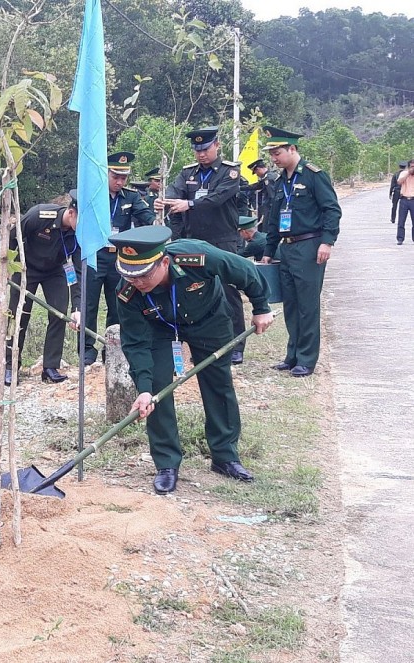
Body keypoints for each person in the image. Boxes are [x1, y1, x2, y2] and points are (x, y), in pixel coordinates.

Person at [112, 226, 273, 495]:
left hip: (209, 320)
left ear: (164, 262)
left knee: (217, 383)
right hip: (159, 329)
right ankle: (166, 464)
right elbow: (136, 342)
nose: (136, 282)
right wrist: (143, 388)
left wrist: (261, 308)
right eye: (129, 275)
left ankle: (225, 456)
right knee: (158, 390)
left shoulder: (198, 256)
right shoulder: (127, 291)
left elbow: (245, 272)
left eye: (143, 274)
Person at [155, 127, 247, 365]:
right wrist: (163, 201)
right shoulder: (188, 174)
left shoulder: (230, 172)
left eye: (205, 149)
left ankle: (236, 344)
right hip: (193, 241)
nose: (201, 154)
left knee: (228, 291)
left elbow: (217, 199)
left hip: (222, 240)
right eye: (197, 150)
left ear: (217, 145)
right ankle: (200, 342)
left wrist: (189, 204)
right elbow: (175, 192)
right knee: (194, 290)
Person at [260, 125, 341, 378]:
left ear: (292, 149)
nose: (273, 159)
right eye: (271, 154)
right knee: (291, 304)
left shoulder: (313, 175)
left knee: (307, 305)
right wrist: (268, 250)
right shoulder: (279, 180)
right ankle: (292, 354)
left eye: (277, 153)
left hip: (310, 246)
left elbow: (332, 210)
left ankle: (307, 359)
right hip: (286, 248)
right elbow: (273, 219)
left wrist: (327, 242)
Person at [83, 151, 155, 366]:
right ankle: (87, 349)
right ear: (106, 174)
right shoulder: (94, 195)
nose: (119, 182)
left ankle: (111, 347)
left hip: (118, 259)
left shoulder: (131, 197)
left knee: (117, 304)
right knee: (89, 304)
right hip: (95, 255)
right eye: (116, 177)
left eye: (123, 178)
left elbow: (147, 216)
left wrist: (157, 220)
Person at [4, 190, 81, 386]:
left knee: (58, 313)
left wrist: (77, 308)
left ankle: (50, 367)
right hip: (26, 268)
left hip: (55, 271)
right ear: (71, 212)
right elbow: (13, 237)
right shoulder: (39, 215)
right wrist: (11, 267)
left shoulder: (79, 234)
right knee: (18, 314)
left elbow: (78, 271)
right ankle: (10, 366)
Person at [395, 159, 414, 245]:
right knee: (401, 221)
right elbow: (399, 182)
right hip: (404, 199)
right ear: (408, 167)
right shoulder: (403, 173)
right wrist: (408, 173)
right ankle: (400, 238)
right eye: (412, 167)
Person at [389, 160, 406, 225]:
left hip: (396, 191)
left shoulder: (395, 174)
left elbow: (392, 185)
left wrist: (390, 193)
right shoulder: (406, 175)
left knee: (394, 206)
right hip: (404, 192)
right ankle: (401, 219)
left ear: (399, 166)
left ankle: (393, 218)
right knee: (403, 207)